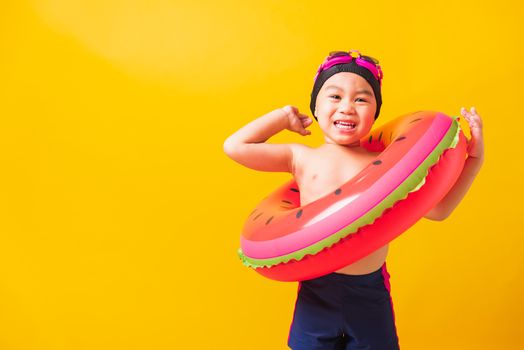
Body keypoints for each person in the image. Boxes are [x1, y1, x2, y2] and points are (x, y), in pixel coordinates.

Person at [223, 50, 484, 349]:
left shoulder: (387, 166)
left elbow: (438, 210)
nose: (347, 107)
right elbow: (235, 146)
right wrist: (282, 117)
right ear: (316, 108)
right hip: (316, 292)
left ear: (375, 114)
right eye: (334, 97)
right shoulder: (301, 157)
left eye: (361, 99)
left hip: (369, 290)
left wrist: (473, 160)